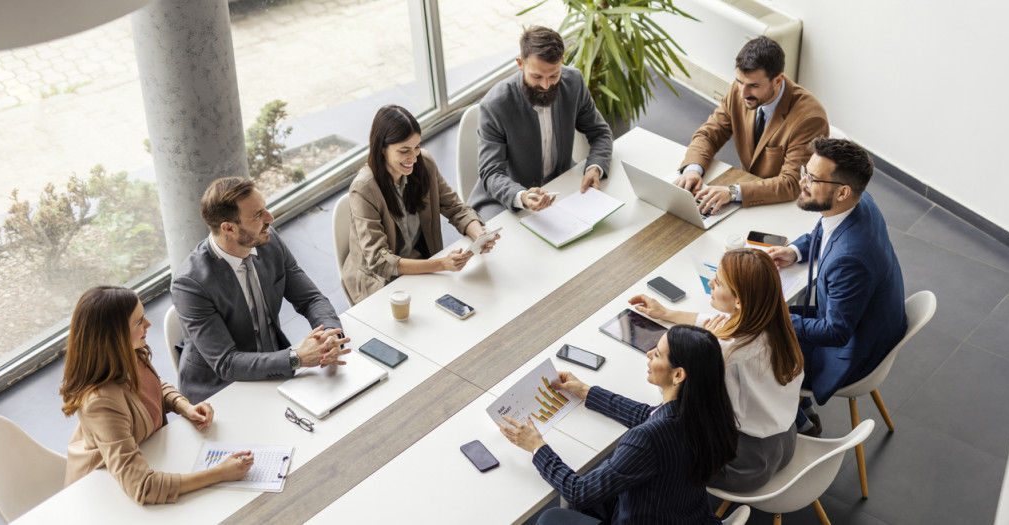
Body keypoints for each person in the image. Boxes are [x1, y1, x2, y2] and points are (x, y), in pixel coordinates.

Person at [499, 325, 738, 524]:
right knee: (602, 478)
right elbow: (647, 414)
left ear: (678, 375)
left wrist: (537, 447)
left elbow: (578, 492)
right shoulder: (709, 414)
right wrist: (585, 390)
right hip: (685, 515)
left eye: (657, 354)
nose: (648, 353)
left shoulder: (649, 438)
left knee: (551, 517)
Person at [629, 248, 805, 492]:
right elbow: (715, 322)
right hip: (784, 442)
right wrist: (666, 313)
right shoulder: (776, 327)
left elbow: (679, 400)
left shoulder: (728, 355)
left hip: (744, 465)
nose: (710, 282)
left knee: (656, 446)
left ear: (739, 301)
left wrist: (703, 351)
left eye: (718, 281)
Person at [765, 137, 907, 436]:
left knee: (750, 350)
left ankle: (797, 419)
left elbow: (836, 332)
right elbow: (825, 227)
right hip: (870, 322)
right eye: (806, 170)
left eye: (813, 178)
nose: (802, 181)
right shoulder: (859, 201)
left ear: (842, 191)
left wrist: (775, 318)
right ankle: (795, 405)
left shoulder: (850, 259)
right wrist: (797, 250)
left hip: (852, 351)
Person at [61, 286, 253, 504]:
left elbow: (154, 388)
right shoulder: (101, 402)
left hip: (147, 457)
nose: (148, 324)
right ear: (116, 336)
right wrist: (220, 473)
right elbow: (143, 487)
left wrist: (184, 405)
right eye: (139, 321)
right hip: (103, 494)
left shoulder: (130, 354)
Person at [172, 177, 350, 404]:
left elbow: (311, 299)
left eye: (264, 209)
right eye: (258, 215)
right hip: (223, 391)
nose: (270, 218)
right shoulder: (190, 284)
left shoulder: (269, 241)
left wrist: (332, 337)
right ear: (229, 228)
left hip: (276, 367)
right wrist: (297, 358)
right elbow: (227, 363)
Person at [342, 105, 498, 304]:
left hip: (421, 266)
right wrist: (441, 264)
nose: (413, 157)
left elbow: (455, 207)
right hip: (382, 281)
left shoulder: (423, 164)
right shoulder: (364, 188)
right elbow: (380, 261)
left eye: (417, 147)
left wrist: (479, 235)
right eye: (404, 150)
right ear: (382, 148)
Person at [467, 25, 614, 219]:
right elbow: (491, 172)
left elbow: (600, 132)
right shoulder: (495, 105)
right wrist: (522, 196)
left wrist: (595, 167)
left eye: (554, 75)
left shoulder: (574, 82)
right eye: (536, 76)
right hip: (506, 198)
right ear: (521, 64)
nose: (546, 85)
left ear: (562, 61)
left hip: (561, 186)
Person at [674, 36, 829, 215]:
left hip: (785, 207)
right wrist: (693, 170)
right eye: (739, 82)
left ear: (778, 81)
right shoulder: (740, 90)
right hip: (747, 196)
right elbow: (709, 134)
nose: (742, 93)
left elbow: (791, 183)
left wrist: (732, 192)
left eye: (753, 85)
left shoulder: (809, 119)